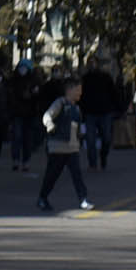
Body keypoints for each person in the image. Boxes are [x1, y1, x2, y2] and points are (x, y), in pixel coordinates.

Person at [34, 76, 94, 212]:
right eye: (78, 90)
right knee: (52, 175)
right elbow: (47, 116)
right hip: (57, 147)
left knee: (77, 175)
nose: (80, 93)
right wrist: (49, 125)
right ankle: (42, 198)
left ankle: (83, 199)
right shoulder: (60, 103)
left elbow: (78, 127)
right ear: (70, 90)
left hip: (72, 148)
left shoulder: (76, 108)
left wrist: (81, 136)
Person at [79, 55, 122, 171]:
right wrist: (81, 110)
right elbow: (80, 96)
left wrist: (117, 109)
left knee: (107, 138)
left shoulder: (105, 77)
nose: (92, 65)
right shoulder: (85, 79)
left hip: (105, 112)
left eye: (93, 62)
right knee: (90, 139)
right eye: (90, 62)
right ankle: (92, 163)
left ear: (97, 63)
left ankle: (103, 156)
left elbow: (113, 93)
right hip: (90, 113)